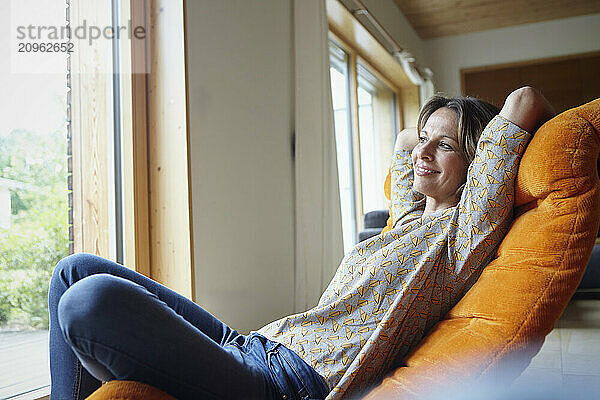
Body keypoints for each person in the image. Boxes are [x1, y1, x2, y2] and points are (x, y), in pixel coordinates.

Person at [48, 87, 555, 400]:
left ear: (479, 162)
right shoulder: (407, 221)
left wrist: (485, 136)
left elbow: (525, 102)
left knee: (88, 302)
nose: (422, 151)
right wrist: (436, 131)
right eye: (427, 137)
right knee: (74, 270)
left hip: (286, 387)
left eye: (444, 144)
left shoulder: (461, 238)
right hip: (253, 343)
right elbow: (404, 142)